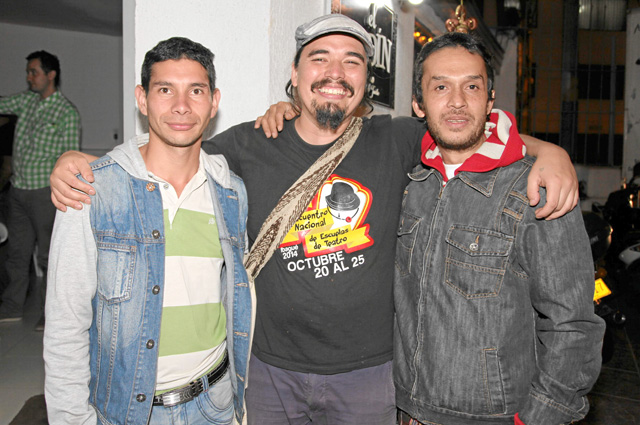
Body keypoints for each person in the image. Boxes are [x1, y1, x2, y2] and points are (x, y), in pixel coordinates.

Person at [48, 15, 578, 424]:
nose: (335, 73)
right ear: (295, 75)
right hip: (267, 372)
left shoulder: (395, 139)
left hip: (369, 376)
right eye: (319, 58)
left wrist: (548, 151)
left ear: (366, 80)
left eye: (352, 61)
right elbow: (170, 152)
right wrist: (84, 163)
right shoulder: (247, 145)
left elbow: (463, 129)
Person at [393, 32, 605, 425]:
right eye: (441, 87)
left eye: (472, 86)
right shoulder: (410, 183)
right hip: (408, 410)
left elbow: (573, 326)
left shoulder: (535, 189)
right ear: (418, 104)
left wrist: (539, 418)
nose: (457, 101)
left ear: (490, 100)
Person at [43, 37, 253, 424]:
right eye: (165, 90)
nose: (181, 105)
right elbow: (65, 324)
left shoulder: (231, 192)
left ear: (214, 102)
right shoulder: (91, 190)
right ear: (142, 99)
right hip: (128, 413)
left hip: (216, 404)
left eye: (196, 90)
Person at [0, 51, 80, 329]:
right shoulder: (27, 101)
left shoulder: (66, 112)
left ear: (51, 75)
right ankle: (11, 307)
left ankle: (52, 314)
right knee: (16, 255)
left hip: (46, 193)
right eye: (28, 72)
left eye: (34, 72)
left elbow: (70, 158)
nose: (29, 77)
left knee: (50, 257)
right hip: (18, 190)